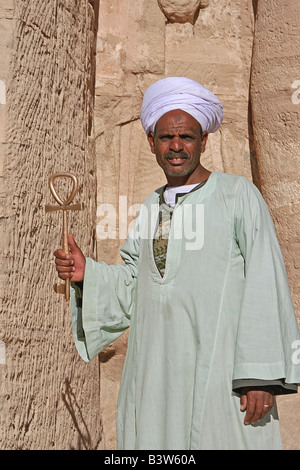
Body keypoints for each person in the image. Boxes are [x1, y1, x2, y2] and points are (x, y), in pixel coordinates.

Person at [54, 77, 300, 450]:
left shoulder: (237, 196)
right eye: (167, 138)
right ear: (152, 142)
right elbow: (138, 282)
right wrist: (90, 273)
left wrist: (260, 377)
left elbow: (266, 282)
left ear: (204, 140)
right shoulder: (152, 206)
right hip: (157, 374)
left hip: (221, 373)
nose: (177, 147)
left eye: (186, 137)